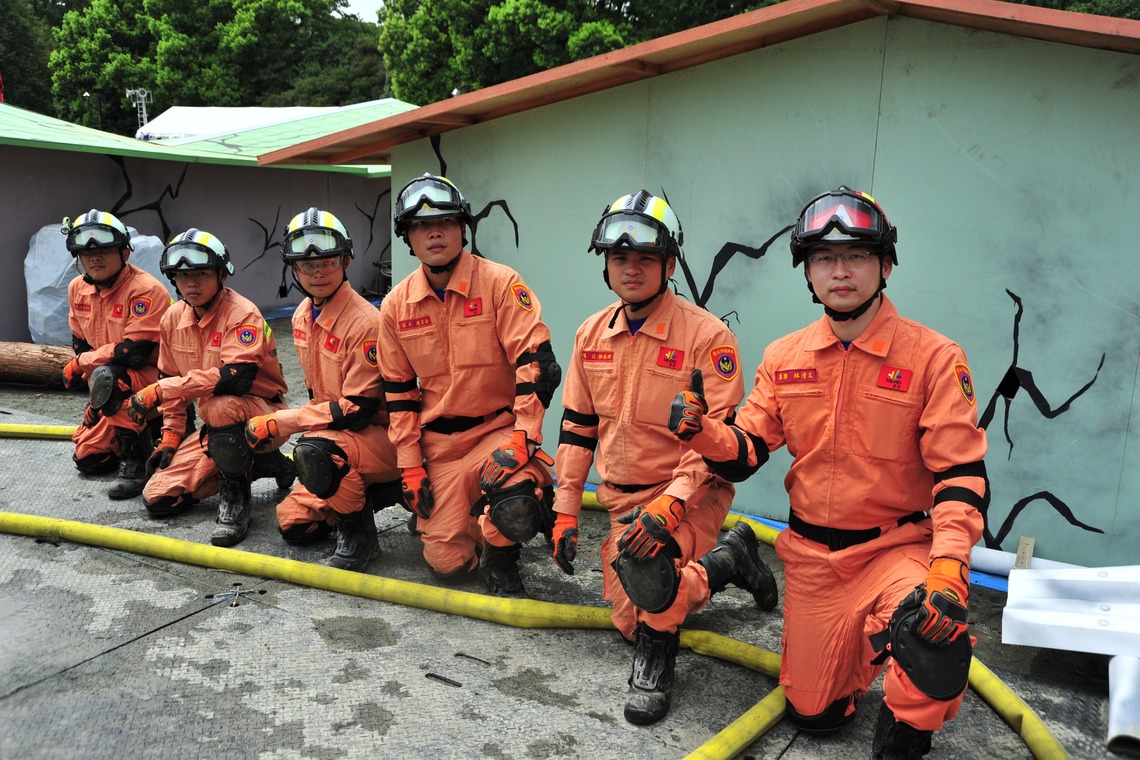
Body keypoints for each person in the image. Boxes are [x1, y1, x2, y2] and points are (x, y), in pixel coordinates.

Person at [668, 186, 988, 758]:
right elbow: (746, 451)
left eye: (857, 255)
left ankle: (907, 731)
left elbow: (960, 476)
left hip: (895, 552)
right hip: (814, 561)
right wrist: (701, 432)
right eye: (823, 258)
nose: (841, 271)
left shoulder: (935, 358)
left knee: (930, 628)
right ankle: (870, 650)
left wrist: (948, 570)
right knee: (814, 716)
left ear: (886, 264)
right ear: (807, 272)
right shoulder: (784, 357)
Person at [552, 190, 779, 725]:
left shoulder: (708, 337)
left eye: (645, 259)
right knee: (630, 615)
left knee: (652, 574)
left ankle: (655, 665)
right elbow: (577, 432)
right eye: (620, 258)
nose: (631, 269)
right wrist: (564, 511)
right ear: (606, 266)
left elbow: (719, 441)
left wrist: (671, 507)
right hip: (621, 499)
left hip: (692, 493)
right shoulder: (589, 335)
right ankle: (730, 560)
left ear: (670, 264)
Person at [378, 173, 559, 593]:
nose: (434, 232)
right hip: (439, 446)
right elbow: (399, 395)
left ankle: (503, 554)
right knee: (448, 566)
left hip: (495, 433)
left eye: (445, 221)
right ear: (407, 237)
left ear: (463, 227)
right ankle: (472, 521)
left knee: (515, 497)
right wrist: (409, 465)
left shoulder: (501, 284)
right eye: (420, 226)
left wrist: (523, 437)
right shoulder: (395, 306)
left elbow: (537, 367)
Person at [243, 208, 401, 571]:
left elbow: (357, 409)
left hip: (382, 437)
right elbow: (320, 397)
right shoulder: (301, 315)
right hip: (338, 437)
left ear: (345, 260)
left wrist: (285, 421)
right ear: (293, 269)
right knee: (295, 526)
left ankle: (361, 535)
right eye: (306, 265)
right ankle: (363, 492)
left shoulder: (365, 323)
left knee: (316, 453)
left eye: (328, 262)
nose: (318, 272)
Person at [127, 228, 295, 547]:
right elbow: (169, 382)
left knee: (219, 404)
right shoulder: (172, 319)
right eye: (182, 275)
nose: (192, 283)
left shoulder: (242, 314)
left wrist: (164, 390)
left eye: (201, 274)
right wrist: (171, 438)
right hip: (222, 429)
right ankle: (264, 463)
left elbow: (236, 377)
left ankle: (236, 499)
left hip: (266, 415)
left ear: (221, 275)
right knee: (158, 498)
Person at [61, 209, 171, 499]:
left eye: (105, 251)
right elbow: (80, 343)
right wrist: (94, 394)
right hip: (111, 377)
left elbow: (134, 353)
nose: (94, 258)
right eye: (86, 252)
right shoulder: (77, 289)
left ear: (124, 252)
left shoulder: (145, 290)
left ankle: (136, 461)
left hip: (157, 379)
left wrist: (83, 364)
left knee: (111, 377)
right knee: (88, 460)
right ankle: (141, 431)